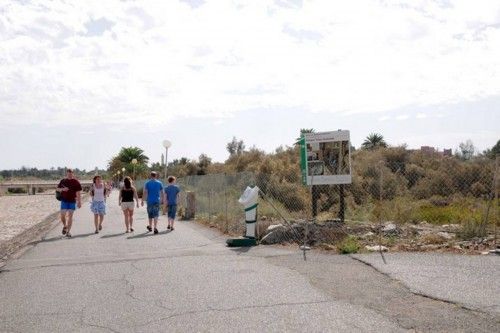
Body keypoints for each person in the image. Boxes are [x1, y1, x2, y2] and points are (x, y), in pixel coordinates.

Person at [56, 168, 82, 238]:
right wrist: (63, 189)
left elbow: (78, 192)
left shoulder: (76, 182)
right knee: (62, 216)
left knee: (70, 217)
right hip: (64, 200)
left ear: (73, 173)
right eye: (68, 173)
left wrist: (79, 202)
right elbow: (57, 189)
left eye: (71, 173)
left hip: (72, 201)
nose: (70, 174)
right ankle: (65, 226)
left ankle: (68, 232)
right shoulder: (63, 181)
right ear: (67, 173)